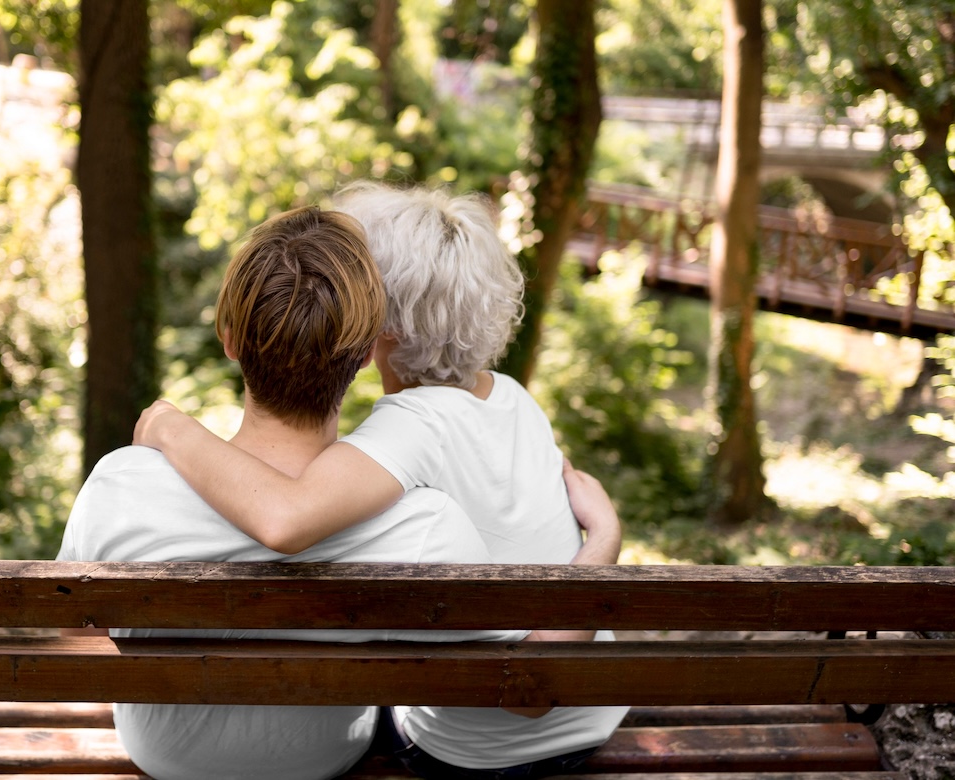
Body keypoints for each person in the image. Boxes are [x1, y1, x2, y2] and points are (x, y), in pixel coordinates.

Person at [133, 183, 629, 778]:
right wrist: (603, 536)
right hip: (595, 716)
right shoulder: (513, 398)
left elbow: (283, 518)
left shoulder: (408, 429)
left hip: (479, 752)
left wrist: (172, 429)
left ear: (379, 321)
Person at [57, 205, 526, 780]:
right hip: (323, 758)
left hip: (162, 755)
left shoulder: (119, 486)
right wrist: (602, 537)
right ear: (361, 359)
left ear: (229, 340)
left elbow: (71, 630)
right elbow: (513, 666)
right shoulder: (425, 525)